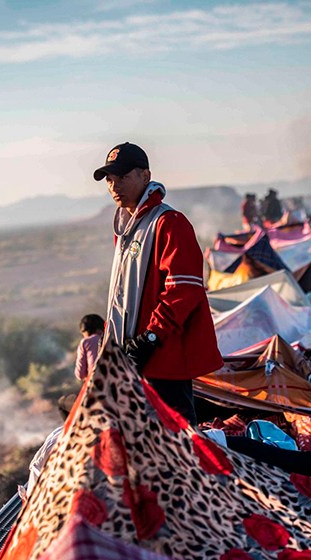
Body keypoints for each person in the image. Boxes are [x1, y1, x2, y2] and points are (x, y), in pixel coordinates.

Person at [93, 142, 223, 425]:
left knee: (178, 439)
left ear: (146, 176)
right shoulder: (125, 229)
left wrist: (151, 338)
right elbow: (121, 294)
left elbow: (184, 290)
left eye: (123, 177)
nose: (115, 186)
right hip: (131, 358)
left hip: (164, 360)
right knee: (141, 438)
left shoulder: (169, 222)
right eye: (110, 180)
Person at [74, 313, 104, 381]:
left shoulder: (86, 342)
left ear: (85, 331)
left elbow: (80, 374)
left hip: (97, 383)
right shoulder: (113, 338)